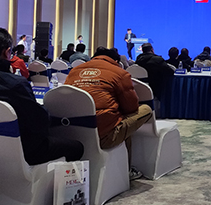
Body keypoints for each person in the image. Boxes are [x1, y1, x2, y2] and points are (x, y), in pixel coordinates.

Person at [0, 26, 84, 165]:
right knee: (77, 148)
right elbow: (39, 123)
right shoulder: (15, 85)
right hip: (23, 151)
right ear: (7, 52)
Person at [65, 46, 152, 180]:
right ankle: (127, 170)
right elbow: (131, 108)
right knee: (145, 110)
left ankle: (126, 167)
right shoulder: (120, 73)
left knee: (120, 118)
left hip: (72, 134)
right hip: (104, 136)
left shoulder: (74, 71)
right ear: (116, 61)